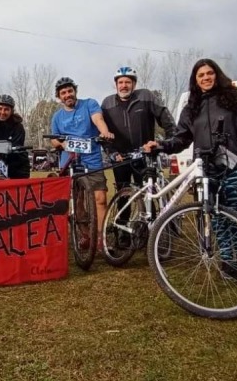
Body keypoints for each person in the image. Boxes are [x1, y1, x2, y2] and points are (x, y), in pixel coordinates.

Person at [144, 58, 237, 281]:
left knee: (234, 213)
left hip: (234, 166)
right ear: (195, 80)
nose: (206, 78)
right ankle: (227, 262)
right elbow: (181, 139)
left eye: (209, 73)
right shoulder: (192, 107)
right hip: (206, 169)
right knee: (216, 216)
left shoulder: (235, 98)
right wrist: (160, 145)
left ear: (216, 74)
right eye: (200, 75)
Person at [50, 76, 114, 252]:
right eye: (63, 92)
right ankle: (85, 234)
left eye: (70, 91)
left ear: (75, 91)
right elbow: (54, 139)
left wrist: (104, 132)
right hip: (70, 161)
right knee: (77, 202)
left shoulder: (89, 104)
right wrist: (61, 144)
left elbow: (98, 119)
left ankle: (101, 238)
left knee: (100, 198)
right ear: (59, 96)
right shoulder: (57, 116)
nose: (67, 94)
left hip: (91, 158)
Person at [102, 66, 175, 190]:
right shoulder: (107, 103)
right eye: (120, 82)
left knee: (148, 195)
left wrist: (170, 139)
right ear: (116, 85)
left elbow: (165, 117)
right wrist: (111, 152)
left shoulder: (145, 96)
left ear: (134, 84)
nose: (124, 85)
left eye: (127, 82)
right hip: (121, 158)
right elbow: (103, 132)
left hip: (144, 155)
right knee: (123, 196)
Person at [0, 94, 30, 179]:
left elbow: (16, 146)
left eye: (6, 109)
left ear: (11, 111)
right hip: (0, 167)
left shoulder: (18, 127)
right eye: (0, 109)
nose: (2, 112)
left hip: (19, 168)